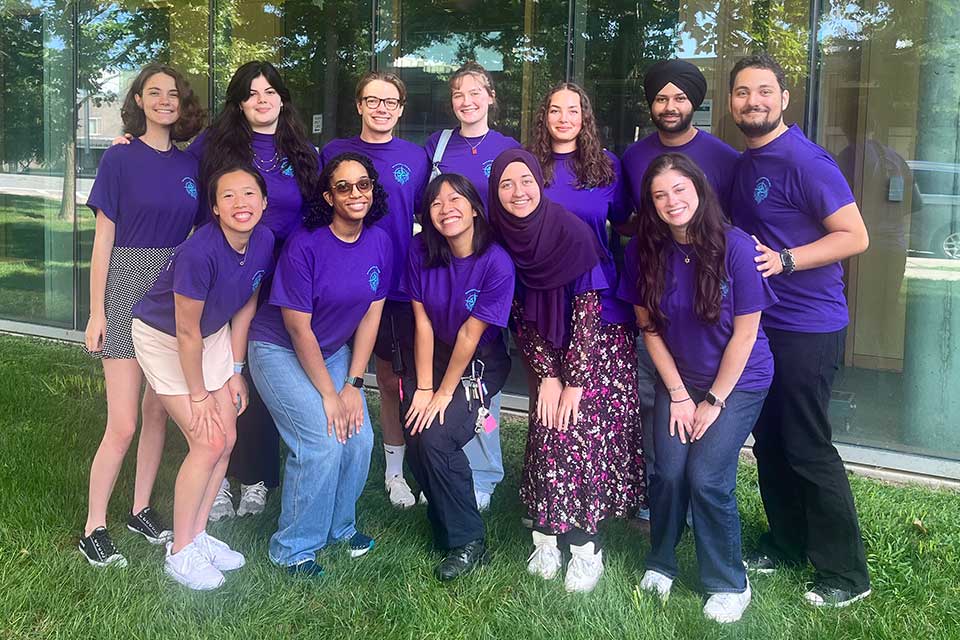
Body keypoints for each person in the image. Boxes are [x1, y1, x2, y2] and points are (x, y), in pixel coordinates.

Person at [727, 53, 872, 607]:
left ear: (784, 99)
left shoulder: (805, 161)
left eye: (765, 91)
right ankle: (785, 542)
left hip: (808, 327)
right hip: (761, 324)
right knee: (768, 441)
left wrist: (786, 260)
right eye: (743, 92)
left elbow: (854, 236)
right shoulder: (747, 164)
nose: (753, 101)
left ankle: (844, 573)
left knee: (808, 445)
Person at [620, 153, 777, 623]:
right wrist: (682, 395)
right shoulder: (644, 250)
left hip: (739, 380)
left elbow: (746, 335)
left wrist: (713, 400)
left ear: (700, 189)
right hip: (680, 379)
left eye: (680, 190)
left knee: (707, 477)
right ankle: (661, 561)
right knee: (667, 473)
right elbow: (648, 330)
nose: (672, 202)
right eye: (660, 195)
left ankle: (729, 581)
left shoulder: (738, 247)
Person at [488, 149, 643, 594]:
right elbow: (521, 315)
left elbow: (589, 310)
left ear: (540, 183)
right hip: (546, 353)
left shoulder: (570, 232)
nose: (518, 192)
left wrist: (573, 380)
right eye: (506, 185)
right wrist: (549, 376)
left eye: (526, 181)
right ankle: (546, 536)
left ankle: (585, 547)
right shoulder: (504, 239)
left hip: (595, 349)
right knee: (545, 431)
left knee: (571, 434)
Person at [80, 63, 204, 567]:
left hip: (170, 290)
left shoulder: (192, 164)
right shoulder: (120, 158)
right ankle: (94, 526)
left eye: (172, 94)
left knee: (158, 412)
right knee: (124, 422)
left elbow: (198, 234)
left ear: (182, 104)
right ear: (138, 100)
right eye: (154, 93)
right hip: (126, 283)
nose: (164, 101)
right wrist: (95, 311)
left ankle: (140, 507)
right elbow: (104, 239)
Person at [130, 165, 275, 590]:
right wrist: (197, 395)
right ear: (214, 208)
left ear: (264, 202)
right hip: (164, 338)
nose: (241, 204)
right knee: (206, 440)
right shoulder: (199, 253)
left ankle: (197, 536)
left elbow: (246, 304)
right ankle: (179, 553)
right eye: (228, 197)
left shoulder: (263, 240)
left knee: (227, 438)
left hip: (212, 336)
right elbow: (185, 332)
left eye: (249, 194)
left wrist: (234, 371)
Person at [247, 152, 391, 576]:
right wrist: (329, 396)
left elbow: (371, 315)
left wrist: (353, 384)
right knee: (322, 440)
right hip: (278, 348)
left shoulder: (380, 242)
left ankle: (339, 527)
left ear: (372, 189)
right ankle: (292, 546)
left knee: (359, 438)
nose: (355, 194)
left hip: (332, 351)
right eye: (343, 187)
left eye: (362, 184)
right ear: (328, 196)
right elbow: (297, 329)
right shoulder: (305, 245)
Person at [196, 61, 321, 520]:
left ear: (282, 98)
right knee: (221, 373)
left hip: (283, 282)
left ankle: (256, 476)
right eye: (252, 93)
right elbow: (178, 178)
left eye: (270, 91)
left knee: (262, 376)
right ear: (240, 102)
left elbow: (319, 216)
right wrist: (130, 145)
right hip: (228, 274)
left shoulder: (304, 151)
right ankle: (219, 474)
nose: (262, 99)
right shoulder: (215, 145)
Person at [621, 60, 741, 521]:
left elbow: (735, 228)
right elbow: (632, 218)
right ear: (651, 104)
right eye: (661, 98)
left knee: (706, 401)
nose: (670, 106)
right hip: (657, 286)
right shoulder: (634, 157)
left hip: (710, 298)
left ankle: (702, 497)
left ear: (695, 102)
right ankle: (661, 498)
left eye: (679, 98)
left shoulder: (725, 159)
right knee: (655, 399)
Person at [527, 79, 645, 519]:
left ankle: (603, 499)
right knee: (552, 409)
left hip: (601, 300)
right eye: (555, 110)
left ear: (585, 118)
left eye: (573, 111)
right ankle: (550, 497)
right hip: (544, 301)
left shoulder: (606, 167)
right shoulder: (529, 167)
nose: (563, 119)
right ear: (545, 117)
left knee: (599, 409)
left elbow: (626, 224)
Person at [321, 72, 430, 510]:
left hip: (397, 285)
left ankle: (395, 472)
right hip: (339, 283)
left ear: (401, 109)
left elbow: (432, 213)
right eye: (373, 100)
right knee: (329, 373)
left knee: (391, 380)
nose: (382, 108)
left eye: (391, 101)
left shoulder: (417, 157)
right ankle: (326, 457)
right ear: (359, 106)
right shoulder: (334, 153)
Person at [400, 174, 514, 581]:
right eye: (436, 203)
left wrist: (444, 393)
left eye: (455, 199)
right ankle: (445, 515)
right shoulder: (420, 250)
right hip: (433, 357)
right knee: (415, 433)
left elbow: (470, 333)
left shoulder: (496, 261)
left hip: (479, 364)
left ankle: (469, 542)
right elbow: (423, 322)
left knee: (438, 436)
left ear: (475, 208)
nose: (446, 208)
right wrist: (425, 387)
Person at [423, 61, 521, 510]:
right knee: (446, 359)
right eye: (459, 94)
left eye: (475, 92)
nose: (467, 100)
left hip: (489, 273)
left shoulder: (507, 148)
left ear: (491, 97)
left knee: (482, 371)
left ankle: (484, 471)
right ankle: (445, 457)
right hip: (445, 268)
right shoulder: (437, 144)